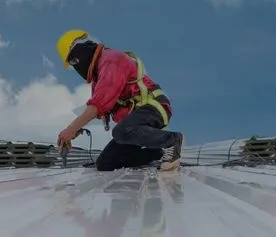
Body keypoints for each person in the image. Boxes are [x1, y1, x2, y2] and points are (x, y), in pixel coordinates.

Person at [54, 29, 184, 171]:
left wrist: (71, 129)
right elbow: (101, 109)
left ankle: (171, 141)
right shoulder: (99, 75)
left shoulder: (111, 61)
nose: (76, 67)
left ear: (79, 53)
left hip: (153, 107)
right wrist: (75, 129)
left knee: (121, 132)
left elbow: (98, 105)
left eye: (73, 62)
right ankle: (157, 152)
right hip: (133, 122)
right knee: (105, 163)